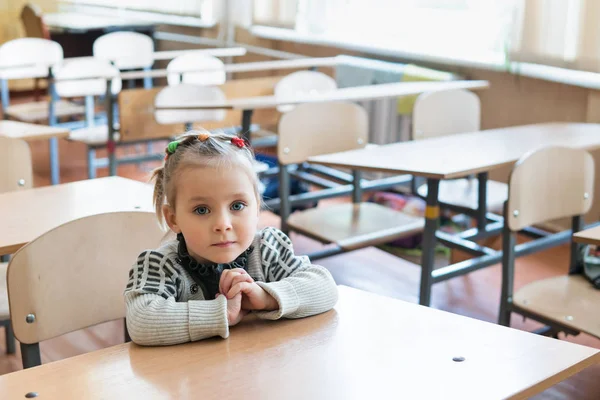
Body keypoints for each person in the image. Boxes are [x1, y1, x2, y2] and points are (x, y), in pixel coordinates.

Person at [124, 130, 338, 346]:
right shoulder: (160, 265)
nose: (223, 224)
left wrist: (266, 298)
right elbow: (141, 322)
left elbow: (325, 287)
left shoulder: (267, 250)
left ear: (256, 206)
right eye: (201, 210)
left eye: (237, 206)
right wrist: (221, 314)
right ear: (173, 218)